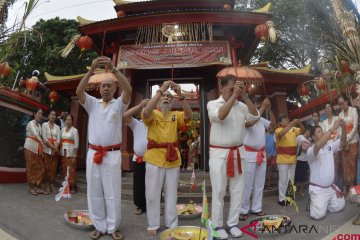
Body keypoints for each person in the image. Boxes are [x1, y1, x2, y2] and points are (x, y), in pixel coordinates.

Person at [76, 56, 132, 240]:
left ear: (115, 88)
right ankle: (99, 226)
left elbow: (129, 90)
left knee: (112, 192)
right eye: (103, 86)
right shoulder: (92, 104)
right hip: (93, 154)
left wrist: (114, 70)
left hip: (112, 155)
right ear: (99, 89)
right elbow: (79, 91)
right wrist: (91, 71)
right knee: (94, 192)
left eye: (109, 85)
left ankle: (113, 227)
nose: (106, 88)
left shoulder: (119, 105)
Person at [207, 75, 259, 239]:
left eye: (236, 88)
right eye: (230, 88)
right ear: (221, 88)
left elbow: (255, 117)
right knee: (219, 191)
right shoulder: (213, 104)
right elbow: (220, 116)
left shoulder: (241, 106)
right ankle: (217, 225)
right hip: (219, 154)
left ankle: (233, 223)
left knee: (237, 191)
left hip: (238, 152)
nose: (234, 91)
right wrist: (233, 97)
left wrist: (244, 97)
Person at [142, 80, 192, 236]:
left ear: (171, 102)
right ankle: (153, 224)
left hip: (172, 159)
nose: (165, 98)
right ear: (158, 98)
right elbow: (146, 112)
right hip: (154, 158)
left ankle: (171, 224)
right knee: (152, 193)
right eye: (163, 96)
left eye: (168, 97)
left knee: (171, 192)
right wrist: (161, 90)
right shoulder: (153, 114)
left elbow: (189, 116)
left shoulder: (173, 117)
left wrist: (180, 95)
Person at [239, 98, 276, 221]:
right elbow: (250, 122)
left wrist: (270, 111)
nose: (256, 107)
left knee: (259, 183)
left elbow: (273, 126)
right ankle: (243, 209)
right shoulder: (245, 117)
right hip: (249, 154)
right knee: (247, 184)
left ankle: (256, 208)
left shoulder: (262, 119)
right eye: (254, 106)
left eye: (257, 105)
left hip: (262, 153)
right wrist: (262, 108)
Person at [302, 119, 346, 219]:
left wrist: (343, 128)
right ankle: (316, 203)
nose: (322, 132)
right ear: (313, 137)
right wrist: (333, 128)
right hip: (318, 189)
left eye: (322, 131)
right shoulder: (311, 150)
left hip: (330, 187)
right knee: (318, 215)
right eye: (319, 132)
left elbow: (343, 141)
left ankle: (325, 203)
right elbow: (317, 146)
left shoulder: (329, 146)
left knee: (340, 205)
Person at [123, 99, 149, 216]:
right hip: (139, 158)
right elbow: (124, 116)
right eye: (144, 110)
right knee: (139, 183)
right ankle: (140, 205)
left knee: (154, 184)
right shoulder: (136, 123)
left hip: (154, 159)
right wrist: (139, 105)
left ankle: (155, 205)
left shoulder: (156, 123)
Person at [275, 113, 304, 206]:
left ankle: (290, 197)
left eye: (287, 118)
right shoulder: (278, 130)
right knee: (283, 179)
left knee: (291, 179)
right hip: (282, 159)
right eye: (284, 119)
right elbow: (281, 134)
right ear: (280, 122)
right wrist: (291, 124)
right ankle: (281, 199)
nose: (287, 120)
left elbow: (302, 131)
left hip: (292, 158)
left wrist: (299, 123)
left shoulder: (293, 129)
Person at [338, 95, 359, 196]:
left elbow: (355, 127)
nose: (341, 105)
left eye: (342, 103)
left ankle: (353, 187)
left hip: (353, 141)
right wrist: (343, 142)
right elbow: (339, 130)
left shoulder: (353, 110)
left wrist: (348, 139)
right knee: (345, 166)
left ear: (346, 101)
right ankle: (347, 186)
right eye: (339, 104)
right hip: (344, 143)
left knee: (352, 164)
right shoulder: (340, 114)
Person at [24, 108, 45, 195]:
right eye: (39, 113)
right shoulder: (31, 123)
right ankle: (31, 187)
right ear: (34, 114)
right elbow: (36, 135)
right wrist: (42, 143)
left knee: (40, 167)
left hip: (37, 148)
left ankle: (36, 185)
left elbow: (42, 137)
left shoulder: (39, 125)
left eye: (41, 114)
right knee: (31, 167)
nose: (40, 115)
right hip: (29, 147)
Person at [42, 109, 61, 194]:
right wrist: (53, 148)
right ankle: (46, 184)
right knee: (46, 167)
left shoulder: (57, 127)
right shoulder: (44, 125)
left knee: (53, 168)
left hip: (54, 151)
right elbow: (44, 139)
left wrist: (55, 149)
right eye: (51, 114)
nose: (53, 116)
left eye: (54, 115)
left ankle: (52, 184)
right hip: (46, 149)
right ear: (48, 116)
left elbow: (58, 139)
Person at [60, 113, 79, 194]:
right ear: (65, 121)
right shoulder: (62, 130)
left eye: (69, 120)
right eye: (66, 119)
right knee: (64, 169)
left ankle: (73, 186)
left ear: (72, 121)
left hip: (71, 153)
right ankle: (66, 186)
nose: (68, 121)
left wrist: (74, 156)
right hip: (63, 153)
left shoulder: (75, 130)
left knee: (71, 170)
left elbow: (76, 144)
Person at [322, 103, 341, 186]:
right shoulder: (324, 122)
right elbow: (323, 135)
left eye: (329, 107)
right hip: (328, 148)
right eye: (326, 108)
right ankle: (331, 185)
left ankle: (338, 185)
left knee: (337, 167)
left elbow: (339, 132)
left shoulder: (337, 119)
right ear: (325, 111)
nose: (328, 109)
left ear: (332, 109)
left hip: (336, 145)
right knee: (330, 167)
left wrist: (333, 141)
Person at [294, 125, 312, 196]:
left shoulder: (310, 140)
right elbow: (295, 146)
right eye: (310, 132)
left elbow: (310, 150)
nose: (310, 134)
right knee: (296, 176)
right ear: (307, 131)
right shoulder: (299, 137)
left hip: (305, 160)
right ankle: (294, 189)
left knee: (304, 177)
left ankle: (301, 190)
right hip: (298, 159)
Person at [265, 125, 276, 190]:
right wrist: (266, 154)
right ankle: (265, 184)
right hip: (266, 155)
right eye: (272, 128)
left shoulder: (274, 135)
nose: (273, 129)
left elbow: (275, 144)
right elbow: (263, 145)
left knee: (270, 170)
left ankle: (269, 184)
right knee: (265, 170)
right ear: (268, 128)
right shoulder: (265, 135)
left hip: (273, 154)